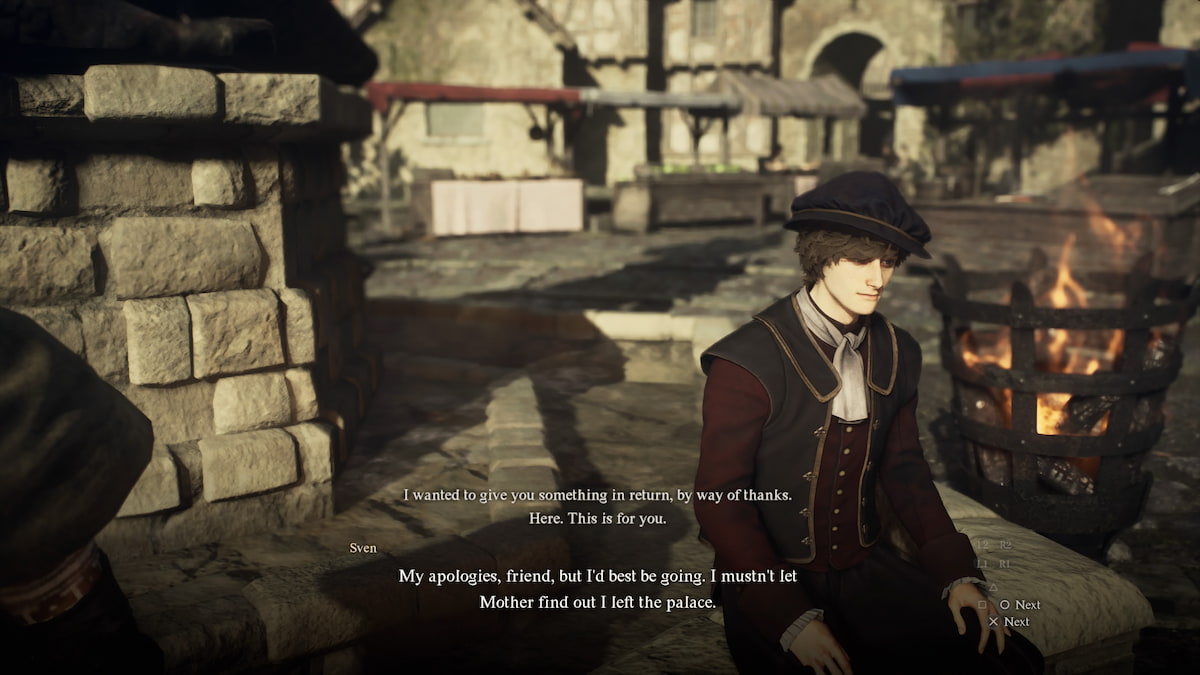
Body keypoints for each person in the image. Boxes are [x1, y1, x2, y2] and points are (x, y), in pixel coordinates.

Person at [693, 172, 1044, 675]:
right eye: (859, 259)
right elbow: (720, 503)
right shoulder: (744, 362)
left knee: (1008, 663)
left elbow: (905, 471)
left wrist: (956, 573)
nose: (877, 278)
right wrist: (789, 618)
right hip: (771, 581)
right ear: (820, 256)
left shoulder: (899, 350)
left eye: (887, 262)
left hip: (866, 569)